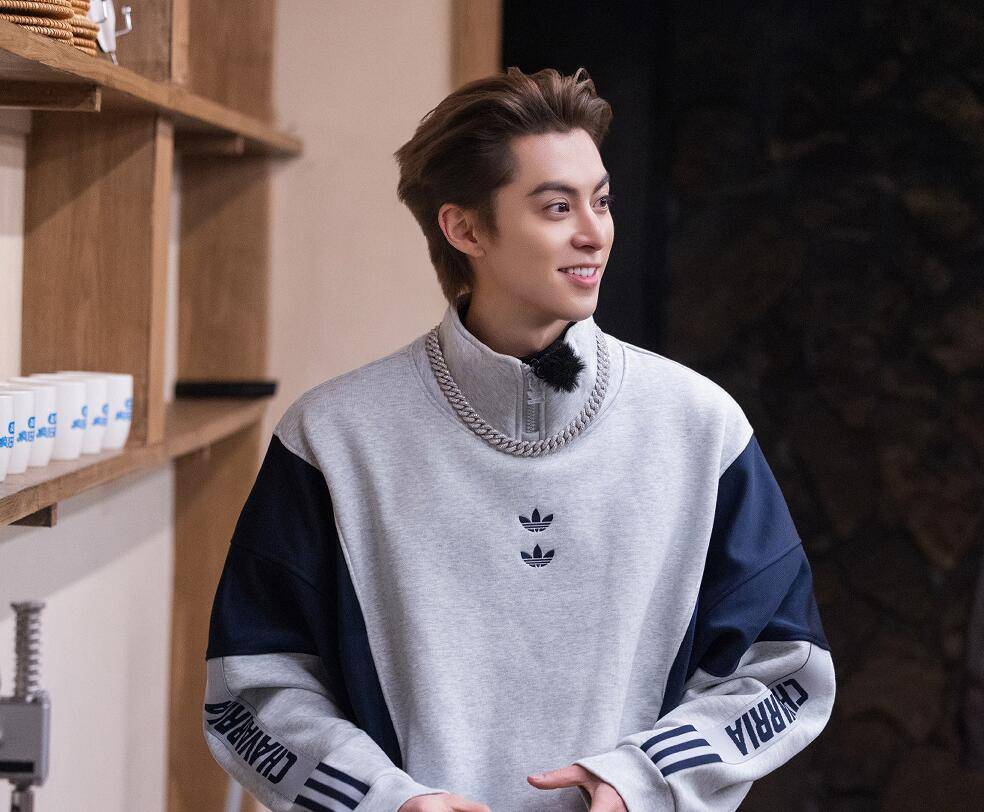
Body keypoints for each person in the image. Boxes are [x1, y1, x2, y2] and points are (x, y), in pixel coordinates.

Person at [202, 66, 835, 812]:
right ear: (465, 229)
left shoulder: (701, 427)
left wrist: (646, 778)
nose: (594, 232)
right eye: (557, 207)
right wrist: (383, 800)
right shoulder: (333, 438)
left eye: (601, 201)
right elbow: (250, 691)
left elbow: (785, 669)